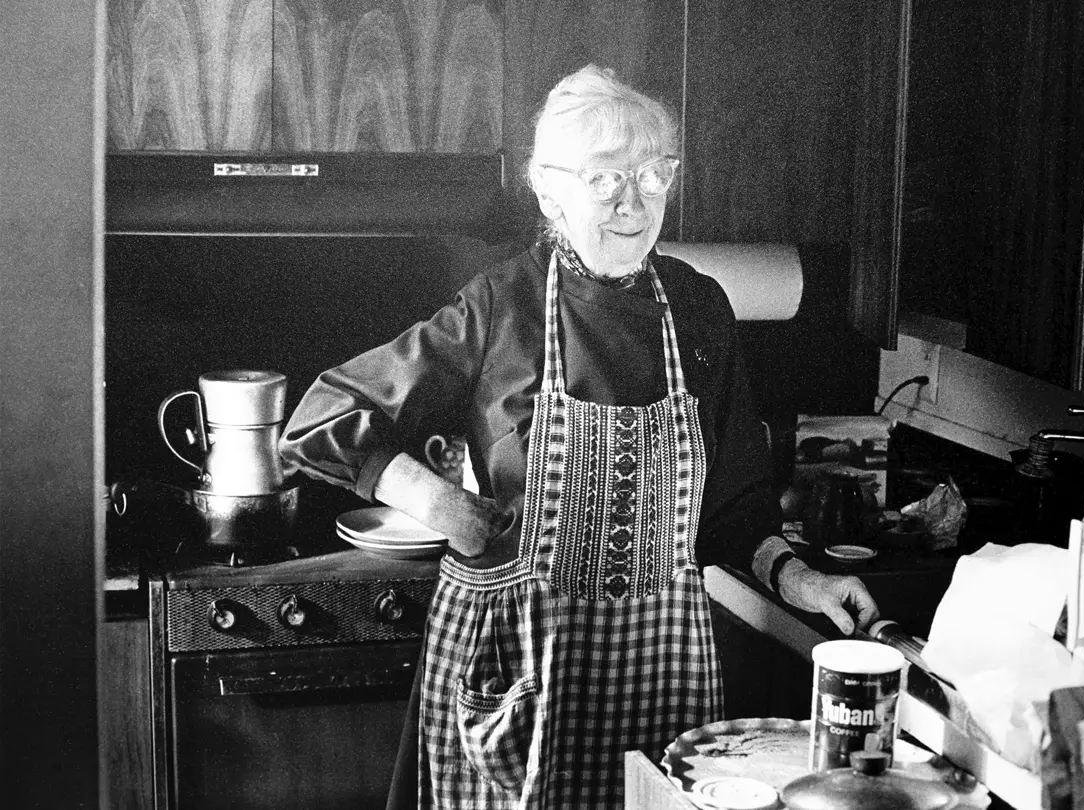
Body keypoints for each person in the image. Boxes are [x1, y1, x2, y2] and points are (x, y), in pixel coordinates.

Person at [280, 64, 879, 810]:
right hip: (522, 676)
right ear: (548, 190)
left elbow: (734, 509)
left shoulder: (698, 308)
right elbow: (324, 416)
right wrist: (439, 504)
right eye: (605, 179)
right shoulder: (501, 305)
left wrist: (800, 580)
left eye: (653, 174)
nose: (634, 202)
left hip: (662, 681)